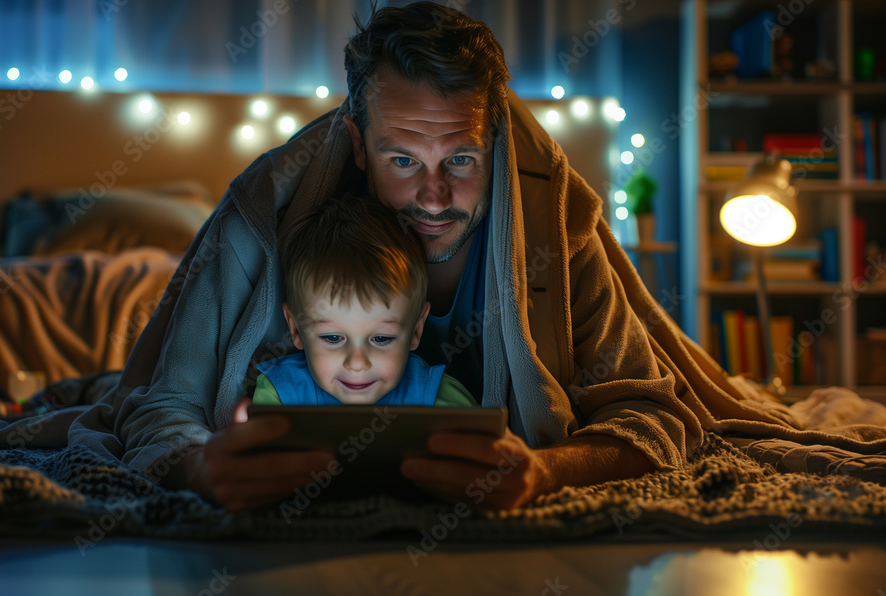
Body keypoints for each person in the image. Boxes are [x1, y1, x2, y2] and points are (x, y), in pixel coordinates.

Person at [114, 1, 797, 512]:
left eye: (461, 158)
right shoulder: (261, 221)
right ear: (357, 144)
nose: (434, 194)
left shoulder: (557, 234)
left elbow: (651, 414)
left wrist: (544, 472)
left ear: (495, 142)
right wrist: (200, 468)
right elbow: (163, 404)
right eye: (403, 158)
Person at [252, 193, 475, 408]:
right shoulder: (280, 394)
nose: (357, 363)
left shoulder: (440, 401)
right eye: (332, 337)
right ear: (296, 330)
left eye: (381, 338)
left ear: (417, 329)